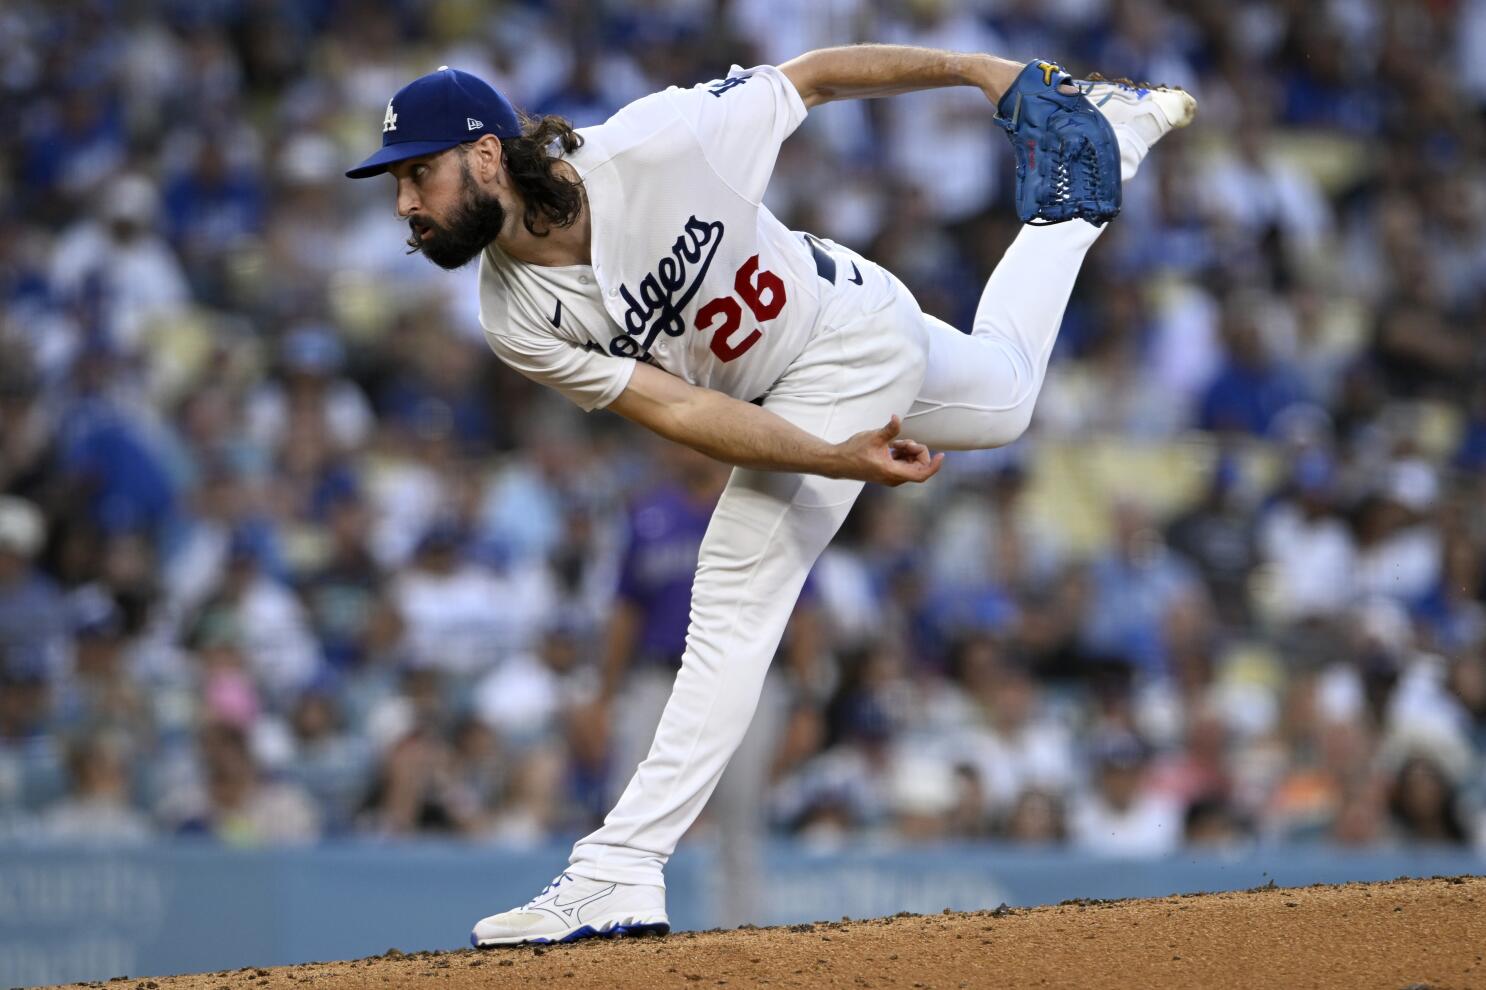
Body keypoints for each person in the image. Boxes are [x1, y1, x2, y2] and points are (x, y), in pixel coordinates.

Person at [346, 46, 1195, 945]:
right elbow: (676, 405)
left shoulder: (657, 142)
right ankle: (1111, 150)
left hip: (845, 333)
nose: (405, 205)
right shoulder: (511, 314)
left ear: (485, 155)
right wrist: (826, 456)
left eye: (418, 174)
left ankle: (617, 870)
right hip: (808, 375)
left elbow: (817, 75)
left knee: (730, 599)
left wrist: (985, 75)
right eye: (398, 184)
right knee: (1011, 394)